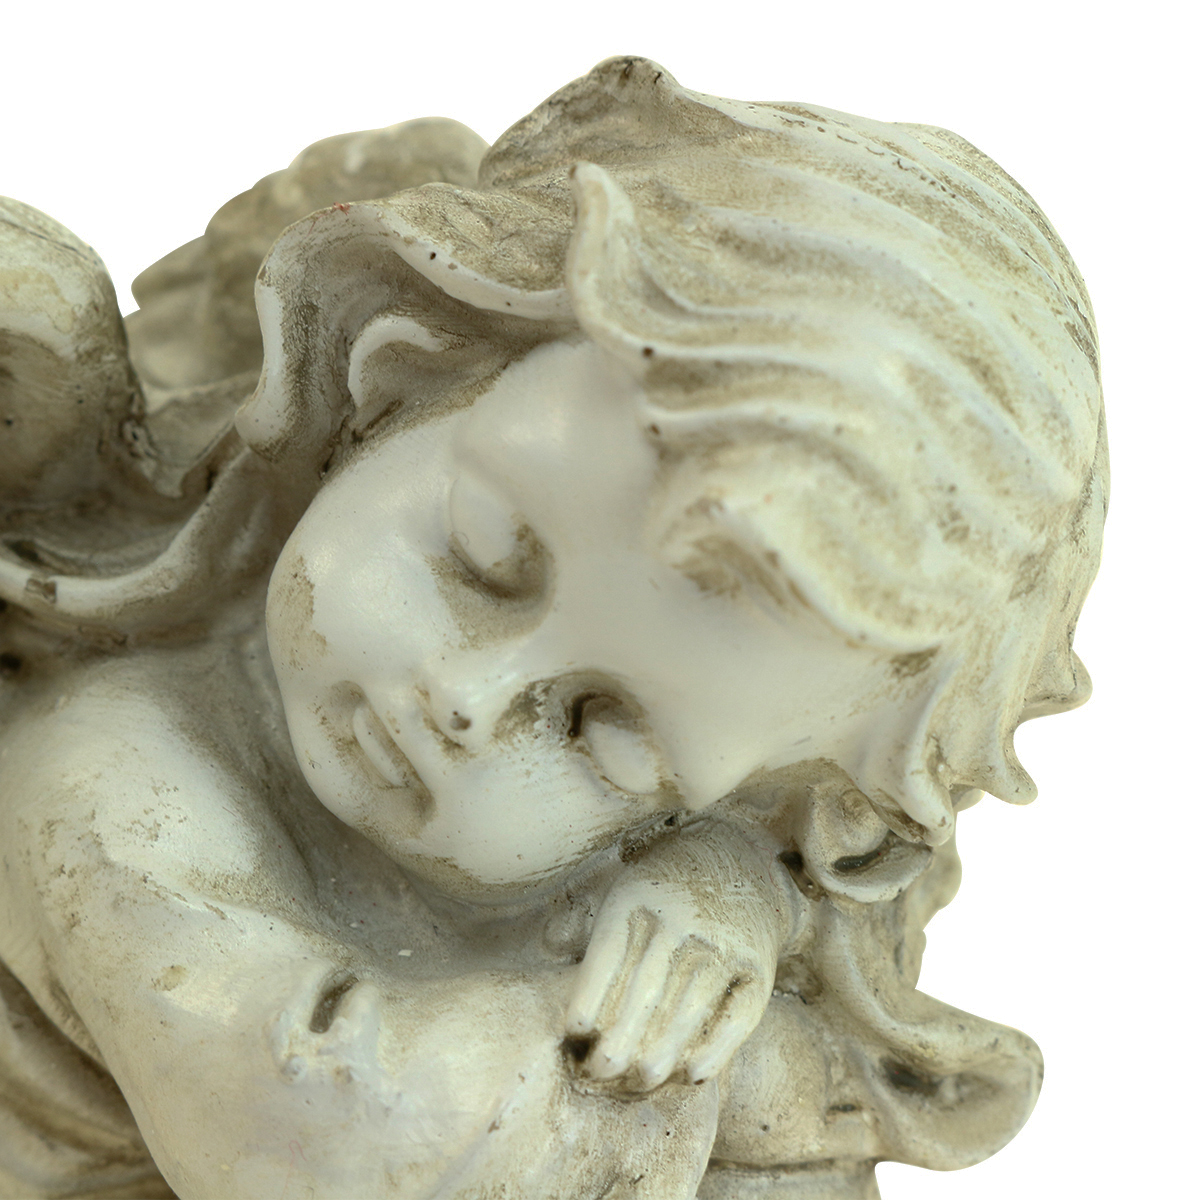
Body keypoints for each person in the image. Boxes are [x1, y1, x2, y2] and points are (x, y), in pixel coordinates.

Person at [0, 58, 1106, 1200]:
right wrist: (724, 1064)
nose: (468, 701)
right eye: (485, 557)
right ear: (393, 380)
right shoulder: (111, 769)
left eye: (604, 736)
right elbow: (332, 1132)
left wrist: (726, 889)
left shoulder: (664, 843)